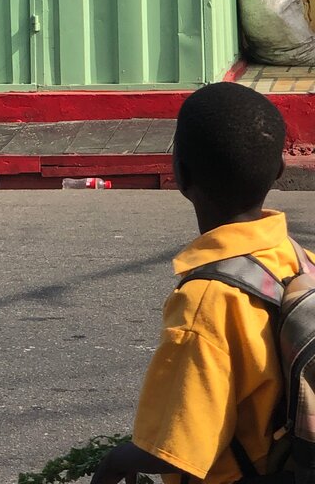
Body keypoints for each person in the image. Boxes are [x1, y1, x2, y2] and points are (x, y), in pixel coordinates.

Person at [90, 81, 313, 484]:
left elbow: (178, 447)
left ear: (180, 174)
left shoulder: (206, 301)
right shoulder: (302, 261)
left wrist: (117, 461)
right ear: (280, 170)